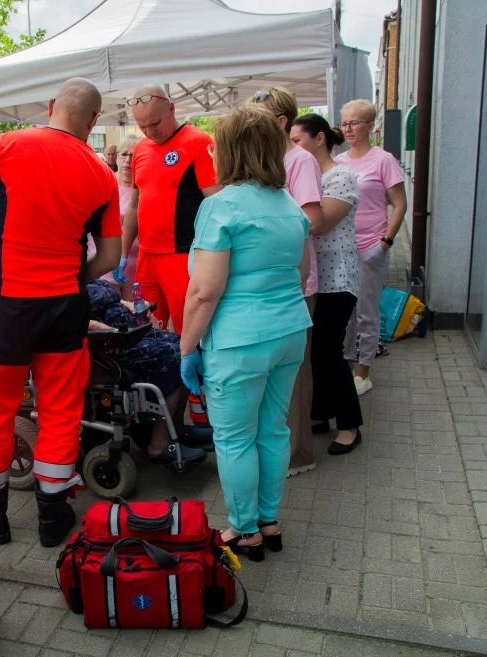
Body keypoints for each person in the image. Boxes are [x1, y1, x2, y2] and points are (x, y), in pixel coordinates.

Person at [0, 78, 121, 548]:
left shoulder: (6, 146)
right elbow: (110, 256)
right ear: (94, 122)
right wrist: (76, 279)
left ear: (51, 106)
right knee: (61, 411)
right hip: (64, 309)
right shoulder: (103, 174)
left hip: (4, 306)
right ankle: (53, 517)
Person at [180, 105, 311, 561]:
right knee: (272, 431)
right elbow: (302, 271)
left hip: (238, 341)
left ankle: (243, 529)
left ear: (227, 151)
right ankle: (268, 520)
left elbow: (204, 291)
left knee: (234, 438)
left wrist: (186, 346)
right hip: (290, 331)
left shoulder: (219, 206)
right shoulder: (289, 205)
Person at [250, 88, 323, 477]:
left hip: (295, 280)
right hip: (271, 280)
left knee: (293, 374)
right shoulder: (268, 161)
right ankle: (279, 448)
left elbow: (310, 217)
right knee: (274, 373)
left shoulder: (299, 161)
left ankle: (298, 453)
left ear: (278, 122)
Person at [119, 84, 221, 333]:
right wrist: (122, 253)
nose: (149, 131)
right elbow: (135, 204)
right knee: (146, 326)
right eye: (142, 126)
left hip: (183, 255)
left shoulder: (198, 142)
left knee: (191, 330)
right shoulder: (141, 149)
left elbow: (217, 201)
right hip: (147, 256)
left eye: (155, 123)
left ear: (171, 108)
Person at [292, 113, 364, 455]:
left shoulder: (341, 176)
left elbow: (317, 224)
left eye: (297, 141)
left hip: (337, 278)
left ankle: (349, 424)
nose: (292, 148)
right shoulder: (306, 175)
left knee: (328, 351)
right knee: (313, 354)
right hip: (313, 278)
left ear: (319, 139)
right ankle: (319, 414)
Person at [86, 280, 209, 465]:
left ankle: (176, 428)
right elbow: (69, 318)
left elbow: (112, 301)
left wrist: (128, 304)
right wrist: (100, 327)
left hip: (131, 333)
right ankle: (159, 443)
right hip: (111, 346)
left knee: (185, 347)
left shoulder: (87, 275)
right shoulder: (63, 285)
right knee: (173, 358)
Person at [336, 99, 407, 396]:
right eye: (344, 123)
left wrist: (386, 241)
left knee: (366, 310)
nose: (348, 128)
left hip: (370, 246)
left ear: (370, 126)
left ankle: (364, 371)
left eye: (355, 122)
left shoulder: (383, 160)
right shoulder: (338, 162)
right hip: (342, 248)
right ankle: (348, 363)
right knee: (346, 310)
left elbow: (400, 204)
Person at [87, 135, 140, 288]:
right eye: (124, 154)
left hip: (135, 264)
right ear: (117, 158)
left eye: (134, 155)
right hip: (103, 261)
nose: (128, 160)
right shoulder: (104, 184)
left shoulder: (145, 190)